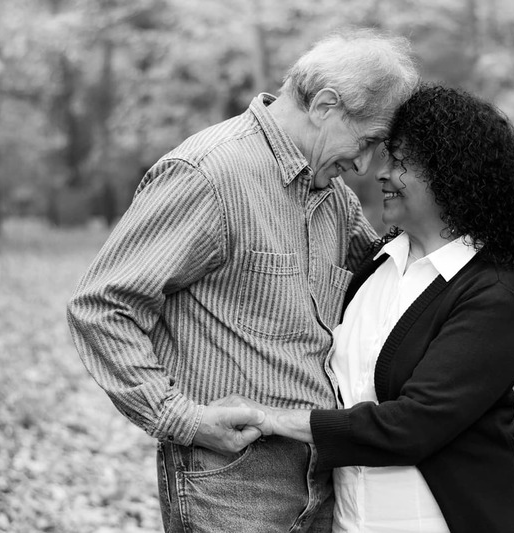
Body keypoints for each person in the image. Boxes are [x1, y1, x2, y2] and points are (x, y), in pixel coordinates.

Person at [66, 29, 419, 533]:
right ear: (323, 105)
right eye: (365, 142)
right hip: (232, 481)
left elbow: (388, 278)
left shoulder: (332, 196)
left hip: (325, 473)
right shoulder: (209, 174)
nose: (364, 165)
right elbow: (100, 305)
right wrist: (181, 418)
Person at [225, 84, 514, 532]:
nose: (380, 173)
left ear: (452, 174)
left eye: (400, 161)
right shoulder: (375, 265)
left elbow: (412, 426)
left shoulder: (494, 294)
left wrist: (275, 420)